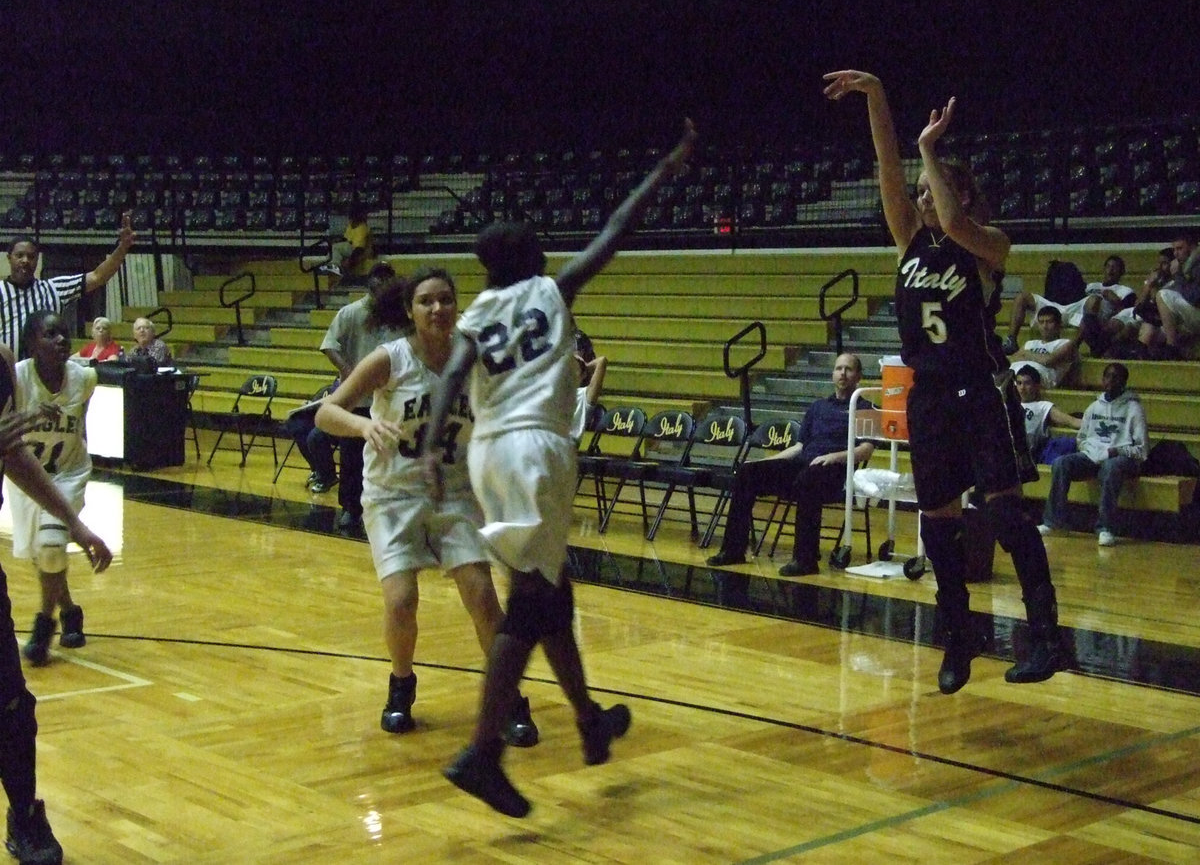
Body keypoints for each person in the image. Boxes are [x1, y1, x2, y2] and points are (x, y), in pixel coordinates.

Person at [420, 119, 696, 818]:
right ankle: (483, 752)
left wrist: (429, 447)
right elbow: (617, 228)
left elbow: (453, 375)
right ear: (532, 256)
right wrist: (665, 168)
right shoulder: (551, 289)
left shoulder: (478, 311)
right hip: (536, 448)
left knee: (553, 593)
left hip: (488, 452)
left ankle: (588, 721)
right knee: (531, 602)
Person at [825, 70, 1061, 693]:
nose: (922, 196)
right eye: (922, 189)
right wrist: (878, 94)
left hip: (981, 392)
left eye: (933, 188)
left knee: (1009, 518)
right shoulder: (909, 243)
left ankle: (1046, 638)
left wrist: (929, 149)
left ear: (958, 192)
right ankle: (958, 641)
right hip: (928, 397)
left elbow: (955, 223)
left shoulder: (988, 244)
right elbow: (885, 168)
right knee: (938, 526)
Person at [316, 267, 538, 743]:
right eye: (426, 302)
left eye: (446, 300)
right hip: (393, 494)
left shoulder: (475, 359)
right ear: (410, 311)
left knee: (481, 594)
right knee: (401, 599)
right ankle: (401, 686)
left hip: (454, 493)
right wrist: (362, 427)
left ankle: (510, 697)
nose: (438, 309)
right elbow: (326, 412)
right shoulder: (389, 359)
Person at [0, 340, 113, 865]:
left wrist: (75, 522)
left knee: (14, 706)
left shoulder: (1, 365)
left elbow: (13, 454)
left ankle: (25, 815)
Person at [705, 353, 876, 577]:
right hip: (805, 464)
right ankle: (733, 550)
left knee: (808, 479)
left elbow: (866, 449)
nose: (842, 373)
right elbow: (799, 447)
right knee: (748, 473)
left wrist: (834, 457)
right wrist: (765, 462)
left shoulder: (867, 408)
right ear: (832, 374)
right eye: (838, 368)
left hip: (836, 471)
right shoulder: (818, 407)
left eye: (849, 369)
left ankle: (805, 561)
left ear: (858, 376)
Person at [6, 311, 104, 667]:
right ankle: (70, 611)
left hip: (67, 473)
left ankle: (43, 626)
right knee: (45, 557)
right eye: (51, 334)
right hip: (27, 476)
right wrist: (30, 417)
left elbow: (82, 426)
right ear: (32, 342)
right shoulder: (15, 378)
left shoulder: (86, 378)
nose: (61, 340)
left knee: (50, 548)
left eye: (64, 334)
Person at [320, 263, 409, 533]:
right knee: (352, 457)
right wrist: (352, 375)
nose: (382, 282)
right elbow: (329, 345)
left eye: (387, 277)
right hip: (359, 401)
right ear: (369, 282)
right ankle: (350, 508)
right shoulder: (351, 312)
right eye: (377, 277)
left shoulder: (400, 315)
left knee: (390, 454)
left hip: (390, 401)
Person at [1039, 362, 1147, 547]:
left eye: (1116, 377)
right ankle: (1053, 521)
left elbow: (1142, 450)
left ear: (1124, 381)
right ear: (1102, 379)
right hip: (1093, 456)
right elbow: (1081, 439)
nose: (1111, 381)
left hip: (1122, 459)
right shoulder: (1094, 407)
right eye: (1107, 376)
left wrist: (1115, 451)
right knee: (1061, 463)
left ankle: (1105, 528)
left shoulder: (1134, 409)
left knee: (1110, 467)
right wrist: (1091, 451)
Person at [2, 214, 135, 359]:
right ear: (9, 258)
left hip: (45, 375)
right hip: (5, 374)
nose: (25, 261)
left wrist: (122, 248)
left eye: (31, 256)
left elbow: (98, 277)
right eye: (19, 255)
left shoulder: (53, 289)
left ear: (37, 259)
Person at [1002, 254, 1135, 355]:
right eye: (1108, 266)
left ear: (1122, 272)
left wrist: (1115, 300)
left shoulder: (1125, 291)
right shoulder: (1091, 286)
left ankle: (1073, 348)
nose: (1111, 270)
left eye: (1115, 267)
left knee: (1094, 299)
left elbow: (1126, 315)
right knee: (1022, 297)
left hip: (1084, 315)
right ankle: (1011, 340)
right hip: (1067, 305)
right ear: (1103, 269)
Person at [1014, 365, 1082, 464]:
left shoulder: (1043, 406)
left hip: (1025, 454)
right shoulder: (1007, 405)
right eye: (1019, 383)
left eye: (1027, 383)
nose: (1022, 388)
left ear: (1037, 385)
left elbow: (1072, 421)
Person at [1007, 305, 1079, 389]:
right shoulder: (1029, 343)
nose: (1044, 326)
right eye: (1041, 322)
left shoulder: (1066, 343)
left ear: (1059, 324)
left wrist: (1026, 354)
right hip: (1012, 375)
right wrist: (1038, 357)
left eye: (1049, 322)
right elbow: (1012, 359)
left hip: (1036, 381)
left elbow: (1048, 361)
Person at [318, 202, 374, 283]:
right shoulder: (351, 225)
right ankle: (330, 266)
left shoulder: (362, 227)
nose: (350, 219)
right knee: (333, 247)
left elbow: (359, 248)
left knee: (335, 247)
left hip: (355, 250)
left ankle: (335, 266)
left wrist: (351, 261)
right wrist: (336, 241)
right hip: (349, 247)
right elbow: (345, 238)